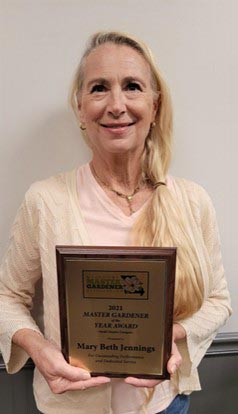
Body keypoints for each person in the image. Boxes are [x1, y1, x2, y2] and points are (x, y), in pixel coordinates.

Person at [0, 31, 232, 414]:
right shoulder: (45, 201)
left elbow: (219, 301)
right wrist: (39, 351)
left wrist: (167, 336)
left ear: (155, 105)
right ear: (79, 107)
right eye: (98, 88)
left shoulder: (193, 202)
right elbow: (7, 298)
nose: (116, 105)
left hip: (166, 405)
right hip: (70, 406)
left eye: (132, 86)